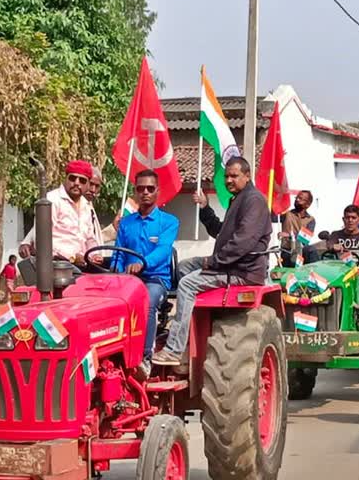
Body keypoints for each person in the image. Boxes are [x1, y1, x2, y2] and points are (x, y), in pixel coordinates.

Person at [152, 157, 272, 366]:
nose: (228, 180)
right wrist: (206, 209)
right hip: (229, 264)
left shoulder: (254, 200)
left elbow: (242, 242)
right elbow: (221, 232)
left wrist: (214, 262)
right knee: (181, 268)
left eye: (234, 176)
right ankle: (177, 325)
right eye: (226, 176)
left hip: (242, 271)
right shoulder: (238, 199)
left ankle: (173, 349)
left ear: (247, 175)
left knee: (188, 284)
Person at [113, 169, 179, 379]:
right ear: (135, 191)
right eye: (141, 189)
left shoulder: (169, 222)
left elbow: (163, 251)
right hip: (127, 281)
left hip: (155, 280)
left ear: (157, 191)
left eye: (150, 189)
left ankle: (145, 359)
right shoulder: (126, 223)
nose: (145, 193)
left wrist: (143, 263)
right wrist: (115, 271)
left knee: (147, 301)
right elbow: (118, 254)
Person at [19, 160, 101, 268]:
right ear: (65, 179)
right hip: (56, 268)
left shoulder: (86, 206)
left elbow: (90, 238)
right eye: (72, 178)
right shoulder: (52, 200)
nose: (76, 183)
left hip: (82, 268)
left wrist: (95, 255)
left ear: (87, 184)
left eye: (82, 180)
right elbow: (42, 239)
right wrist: (72, 257)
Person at [278, 190, 316, 266]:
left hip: (302, 254)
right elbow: (273, 217)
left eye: (301, 199)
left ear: (308, 204)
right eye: (297, 197)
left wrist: (289, 235)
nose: (297, 200)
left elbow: (304, 239)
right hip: (287, 252)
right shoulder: (287, 214)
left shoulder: (310, 220)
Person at [86, 167, 119, 245]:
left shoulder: (89, 205)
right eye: (90, 184)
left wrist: (114, 228)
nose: (93, 190)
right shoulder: (70, 205)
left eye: (97, 186)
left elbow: (93, 240)